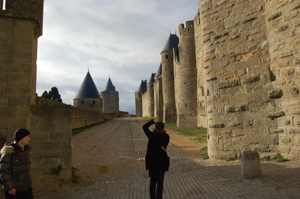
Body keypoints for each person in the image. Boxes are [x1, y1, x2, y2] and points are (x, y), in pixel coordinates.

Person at [0, 128, 33, 199]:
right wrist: (10, 187)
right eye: (27, 137)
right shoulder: (9, 151)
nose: (29, 138)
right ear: (21, 138)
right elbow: (4, 171)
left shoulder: (26, 150)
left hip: (26, 189)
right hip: (14, 189)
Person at [143, 119, 170, 199]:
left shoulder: (151, 136)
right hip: (162, 163)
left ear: (156, 127)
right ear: (163, 128)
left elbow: (144, 127)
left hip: (153, 163)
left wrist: (152, 121)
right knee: (160, 183)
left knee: (152, 182)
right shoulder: (167, 137)